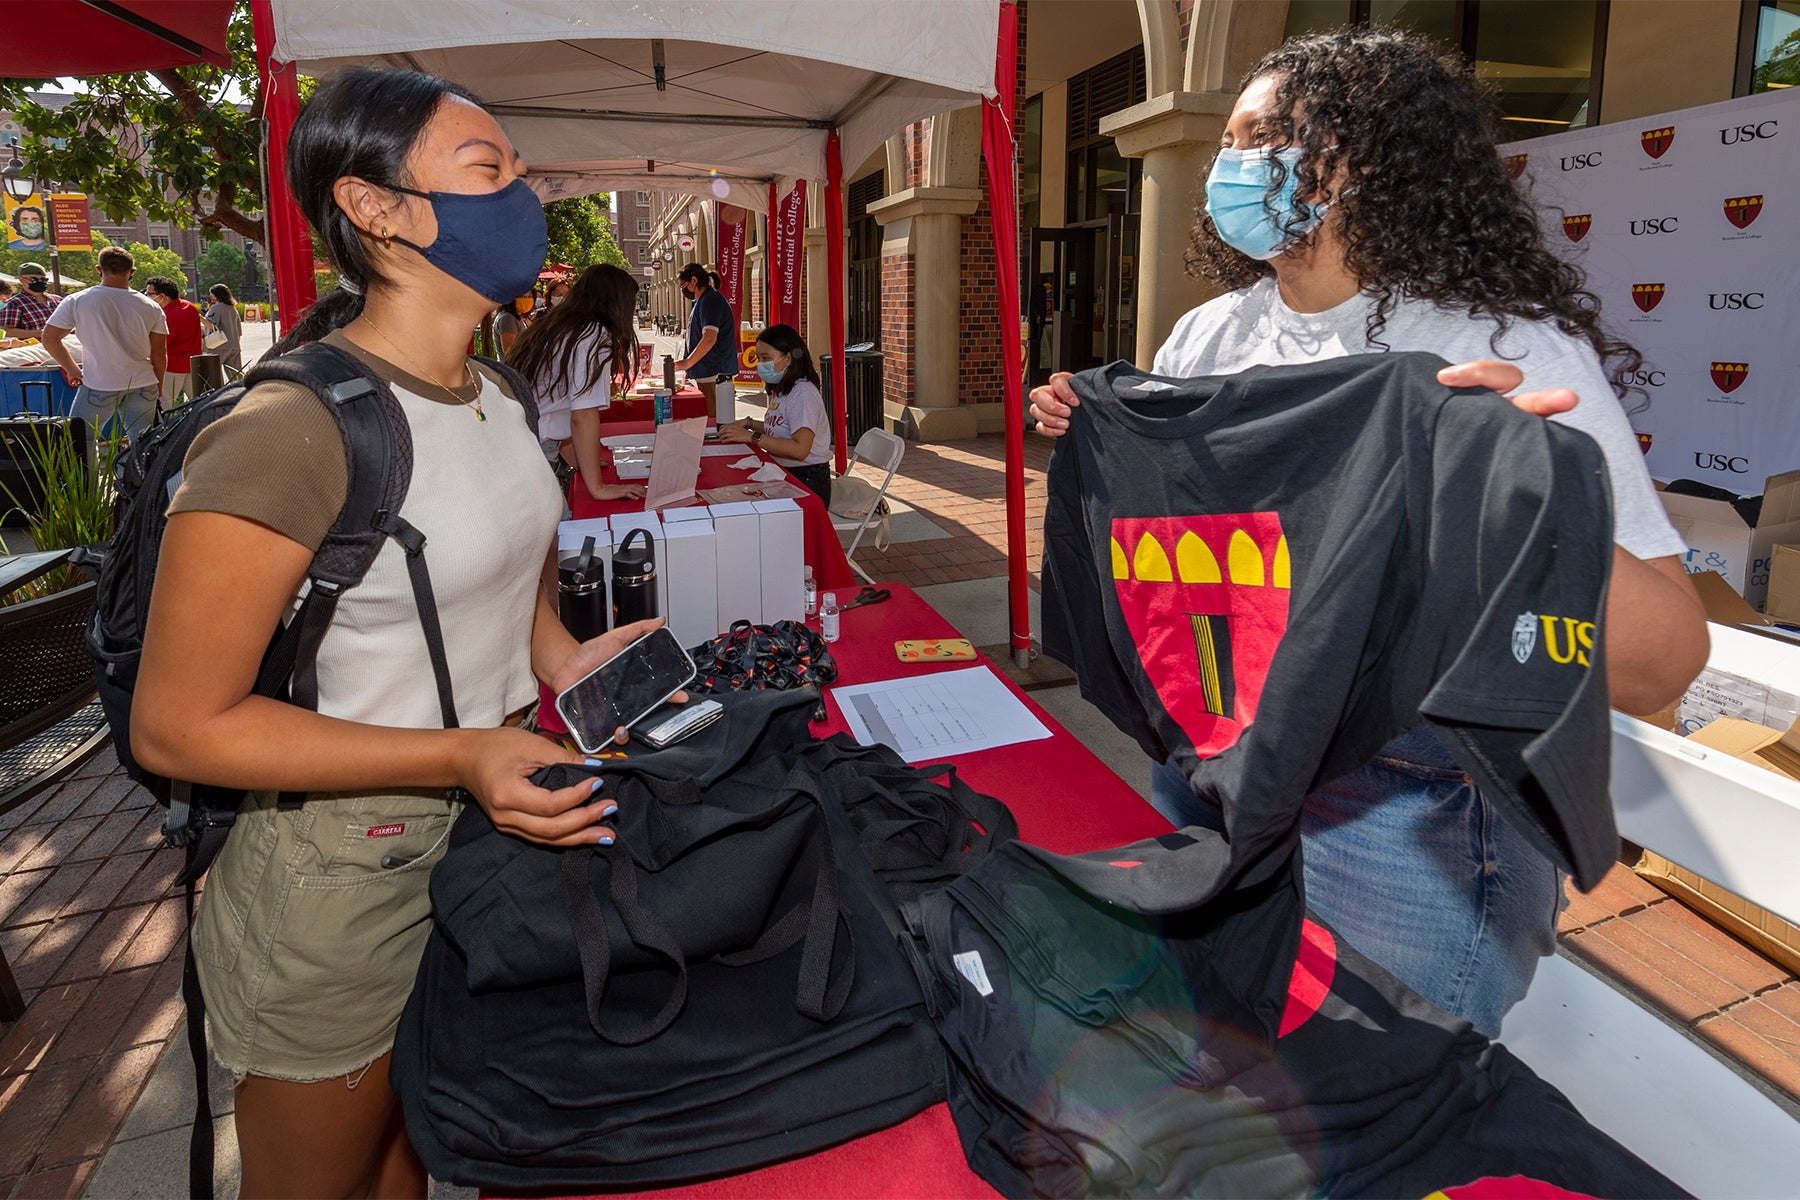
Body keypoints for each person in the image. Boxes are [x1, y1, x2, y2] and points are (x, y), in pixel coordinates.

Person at [1028, 28, 1707, 1038]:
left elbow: (1663, 663)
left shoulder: (1498, 347)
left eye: (1260, 137)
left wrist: (1508, 495)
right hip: (1216, 754)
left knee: (1381, 1081)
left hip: (1405, 804)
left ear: (1363, 158)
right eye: (1225, 142)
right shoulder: (1211, 334)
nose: (1228, 165)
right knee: (1237, 1053)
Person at [127, 66, 672, 1199]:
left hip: (488, 831)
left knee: (411, 1155)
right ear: (374, 207)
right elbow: (179, 726)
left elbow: (512, 582)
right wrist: (458, 754)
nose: (524, 195)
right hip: (336, 873)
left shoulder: (498, 393)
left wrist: (565, 662)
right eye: (490, 171)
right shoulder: (293, 429)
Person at [507, 262, 647, 503]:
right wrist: (598, 487)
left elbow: (555, 404)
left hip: (517, 444)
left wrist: (581, 461)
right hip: (531, 452)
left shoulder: (559, 326)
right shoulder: (593, 336)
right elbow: (583, 414)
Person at [40, 245, 166, 443]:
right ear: (131, 272)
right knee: (142, 442)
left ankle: (88, 476)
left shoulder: (77, 300)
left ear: (99, 269)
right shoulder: (151, 306)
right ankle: (138, 474)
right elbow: (159, 353)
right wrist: (159, 383)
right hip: (143, 380)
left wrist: (72, 370)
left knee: (82, 439)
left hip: (99, 381)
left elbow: (49, 338)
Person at [718, 323, 833, 505]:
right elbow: (781, 430)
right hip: (785, 471)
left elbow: (799, 449)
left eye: (766, 358)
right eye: (758, 358)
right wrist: (748, 423)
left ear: (787, 358)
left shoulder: (802, 393)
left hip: (806, 478)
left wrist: (751, 436)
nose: (760, 364)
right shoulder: (783, 387)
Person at [672, 262, 736, 422]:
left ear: (694, 281)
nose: (683, 290)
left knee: (715, 419)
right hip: (707, 370)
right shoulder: (702, 301)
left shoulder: (710, 300)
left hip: (713, 370)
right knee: (711, 416)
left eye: (683, 285)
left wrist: (687, 363)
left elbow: (709, 337)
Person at [142, 275, 204, 405]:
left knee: (164, 407)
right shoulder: (190, 307)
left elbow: (159, 345)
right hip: (193, 364)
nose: (146, 297)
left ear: (162, 296)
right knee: (198, 405)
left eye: (149, 294)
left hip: (171, 368)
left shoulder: (166, 315)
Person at [0, 261, 63, 338]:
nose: (39, 282)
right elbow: (6, 331)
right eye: (33, 279)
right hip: (36, 347)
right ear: (21, 280)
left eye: (43, 279)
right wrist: (40, 333)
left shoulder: (58, 300)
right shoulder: (14, 303)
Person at [205, 282, 244, 372]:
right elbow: (238, 330)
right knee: (236, 375)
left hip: (219, 345)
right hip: (234, 345)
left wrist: (198, 317)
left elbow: (211, 324)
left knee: (214, 375)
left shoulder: (216, 308)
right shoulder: (233, 309)